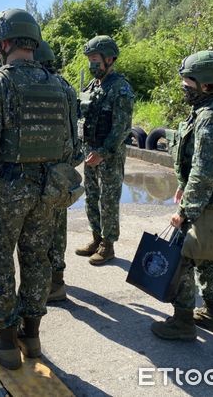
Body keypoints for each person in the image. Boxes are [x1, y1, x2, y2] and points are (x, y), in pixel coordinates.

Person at [0, 9, 72, 370]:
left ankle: (5, 340)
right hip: (50, 190)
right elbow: (72, 144)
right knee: (37, 257)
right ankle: (32, 335)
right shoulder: (60, 85)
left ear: (4, 43)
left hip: (10, 188)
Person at [151, 50, 213, 341]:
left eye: (188, 83)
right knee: (208, 258)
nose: (183, 88)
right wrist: (185, 185)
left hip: (209, 204)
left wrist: (185, 211)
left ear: (206, 85)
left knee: (183, 259)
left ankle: (183, 322)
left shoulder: (210, 119)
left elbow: (205, 172)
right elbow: (202, 166)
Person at [75, 35, 134, 265]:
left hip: (108, 155)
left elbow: (122, 128)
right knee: (91, 197)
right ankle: (96, 238)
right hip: (90, 152)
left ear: (110, 59)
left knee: (108, 201)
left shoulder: (120, 88)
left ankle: (108, 246)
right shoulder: (92, 86)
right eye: (89, 60)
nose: (92, 65)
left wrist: (102, 152)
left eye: (95, 60)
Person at [34, 40, 83, 302]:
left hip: (39, 170)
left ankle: (50, 284)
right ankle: (56, 280)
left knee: (40, 230)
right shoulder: (65, 86)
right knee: (57, 226)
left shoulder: (37, 85)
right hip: (61, 169)